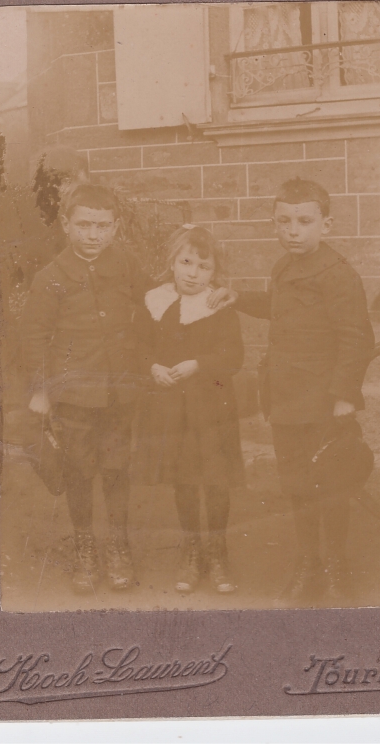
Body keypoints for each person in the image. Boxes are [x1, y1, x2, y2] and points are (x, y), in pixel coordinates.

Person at [208, 178, 375, 605]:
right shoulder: (283, 268)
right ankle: (308, 563)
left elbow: (357, 339)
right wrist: (238, 297)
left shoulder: (338, 275)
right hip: (285, 400)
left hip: (323, 403)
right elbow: (279, 308)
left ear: (327, 224)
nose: (293, 231)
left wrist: (342, 399)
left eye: (304, 221)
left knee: (332, 485)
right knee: (297, 486)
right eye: (283, 221)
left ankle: (336, 566)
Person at [21, 182, 150, 594]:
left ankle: (118, 545)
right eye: (84, 225)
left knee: (115, 469)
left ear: (115, 228)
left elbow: (152, 301)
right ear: (66, 225)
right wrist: (40, 390)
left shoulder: (126, 265)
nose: (93, 235)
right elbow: (34, 336)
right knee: (78, 471)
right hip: (74, 394)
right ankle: (84, 545)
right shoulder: (51, 278)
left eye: (102, 226)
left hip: (118, 390)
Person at [133, 226, 245, 594]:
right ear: (172, 263)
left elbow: (234, 356)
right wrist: (153, 368)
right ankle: (192, 546)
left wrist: (199, 363)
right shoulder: (155, 302)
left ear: (215, 273)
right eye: (186, 263)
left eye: (203, 266)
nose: (193, 273)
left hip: (211, 407)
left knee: (214, 480)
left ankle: (217, 548)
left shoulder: (218, 305)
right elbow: (140, 348)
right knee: (183, 478)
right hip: (172, 409)